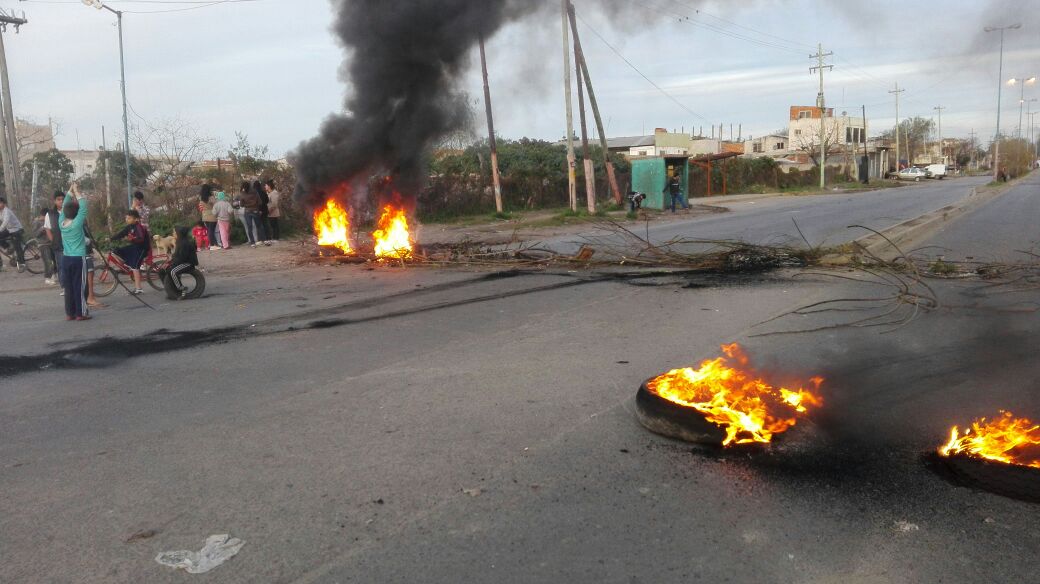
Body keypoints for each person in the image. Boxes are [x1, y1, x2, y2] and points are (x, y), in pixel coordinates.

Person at [59, 183, 91, 321]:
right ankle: (81, 313)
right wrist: (77, 191)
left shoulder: (61, 223)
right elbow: (83, 207)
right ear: (76, 214)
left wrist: (70, 192)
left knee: (69, 287)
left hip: (65, 259)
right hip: (79, 258)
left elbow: (64, 206)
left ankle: (70, 313)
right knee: (80, 285)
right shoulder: (77, 223)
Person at [111, 209, 150, 294]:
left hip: (142, 248)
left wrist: (132, 238)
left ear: (136, 219)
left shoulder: (138, 227)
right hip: (135, 247)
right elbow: (121, 234)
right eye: (126, 218)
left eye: (129, 218)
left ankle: (139, 289)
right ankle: (128, 266)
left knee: (135, 266)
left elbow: (141, 239)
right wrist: (110, 239)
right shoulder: (129, 227)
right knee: (117, 251)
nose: (126, 219)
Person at [164, 226, 199, 299]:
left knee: (173, 271)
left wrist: (172, 263)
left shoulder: (185, 243)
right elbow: (177, 255)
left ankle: (182, 289)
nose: (173, 233)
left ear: (179, 234)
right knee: (162, 271)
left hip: (188, 263)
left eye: (174, 232)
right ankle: (171, 290)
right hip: (181, 261)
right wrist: (170, 262)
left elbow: (182, 258)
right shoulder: (179, 241)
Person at [42, 192, 66, 286]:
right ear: (54, 201)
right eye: (59, 199)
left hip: (71, 244)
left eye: (63, 199)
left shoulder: (69, 211)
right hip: (58, 245)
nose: (61, 201)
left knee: (71, 266)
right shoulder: (50, 214)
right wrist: (53, 240)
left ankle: (71, 286)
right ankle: (64, 287)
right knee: (61, 266)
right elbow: (47, 228)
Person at [0, 196, 26, 272]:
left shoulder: (7, 211)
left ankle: (22, 264)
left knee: (18, 247)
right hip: (9, 230)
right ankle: (9, 248)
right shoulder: (0, 212)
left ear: (4, 204)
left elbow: (5, 222)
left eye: (0, 203)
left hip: (17, 229)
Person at [238, 181, 264, 247]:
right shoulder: (255, 192)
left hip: (247, 211)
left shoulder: (243, 194)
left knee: (249, 227)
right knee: (259, 226)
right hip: (255, 210)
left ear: (243, 187)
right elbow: (260, 202)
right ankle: (263, 240)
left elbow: (241, 204)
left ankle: (252, 243)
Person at [198, 185, 220, 250]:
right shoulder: (211, 197)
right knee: (211, 231)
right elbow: (216, 205)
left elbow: (201, 207)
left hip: (204, 215)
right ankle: (213, 245)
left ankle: (214, 244)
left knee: (210, 230)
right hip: (212, 215)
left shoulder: (200, 198)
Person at [255, 179, 272, 244]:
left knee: (259, 225)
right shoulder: (263, 192)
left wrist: (259, 210)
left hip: (258, 211)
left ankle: (261, 239)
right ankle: (268, 238)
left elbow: (257, 203)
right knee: (265, 224)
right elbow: (267, 201)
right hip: (265, 210)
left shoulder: (255, 194)